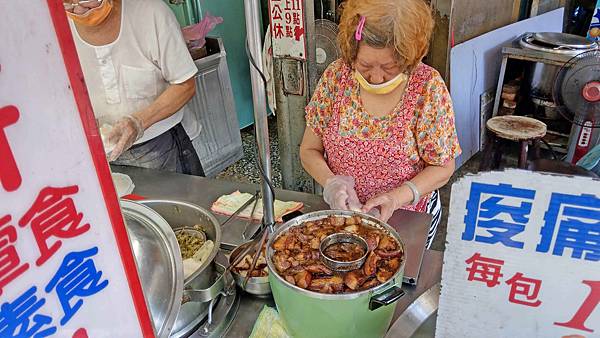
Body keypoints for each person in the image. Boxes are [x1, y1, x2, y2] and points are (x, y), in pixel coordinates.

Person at [299, 0, 461, 248]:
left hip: (407, 217)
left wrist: (396, 198)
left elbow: (443, 167)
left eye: (389, 67)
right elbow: (309, 150)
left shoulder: (427, 87)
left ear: (409, 57)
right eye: (364, 65)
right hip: (344, 216)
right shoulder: (337, 76)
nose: (375, 77)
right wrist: (331, 184)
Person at [65, 0, 204, 175]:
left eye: (86, 1)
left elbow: (185, 85)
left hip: (160, 146)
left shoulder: (151, 13)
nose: (78, 9)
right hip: (97, 153)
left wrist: (138, 122)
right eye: (68, 3)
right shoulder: (56, 27)